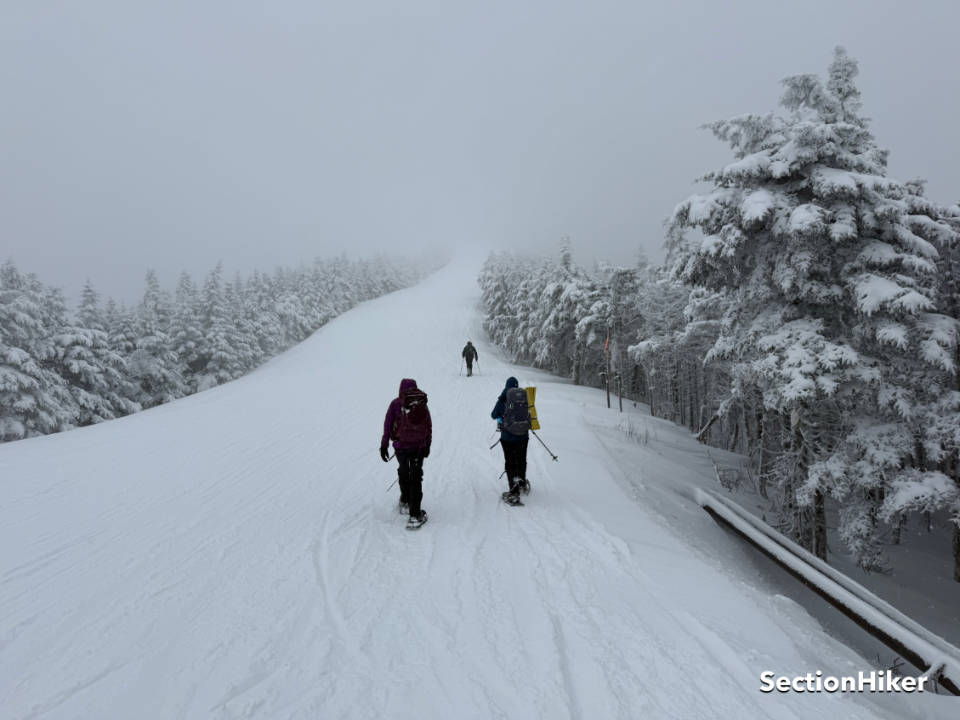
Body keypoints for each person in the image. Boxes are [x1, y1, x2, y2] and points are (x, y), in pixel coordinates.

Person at [380, 378, 431, 526]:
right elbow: (428, 424)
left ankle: (405, 500)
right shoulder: (421, 404)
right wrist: (428, 444)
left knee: (403, 470)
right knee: (416, 477)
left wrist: (384, 445)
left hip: (401, 446)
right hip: (418, 447)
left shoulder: (396, 403)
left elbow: (387, 425)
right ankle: (415, 515)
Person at [490, 376, 530, 502]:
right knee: (521, 460)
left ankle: (513, 492)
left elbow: (493, 414)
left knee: (510, 462)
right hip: (523, 436)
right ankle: (522, 483)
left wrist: (501, 398)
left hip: (508, 438)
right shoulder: (523, 398)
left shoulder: (504, 399)